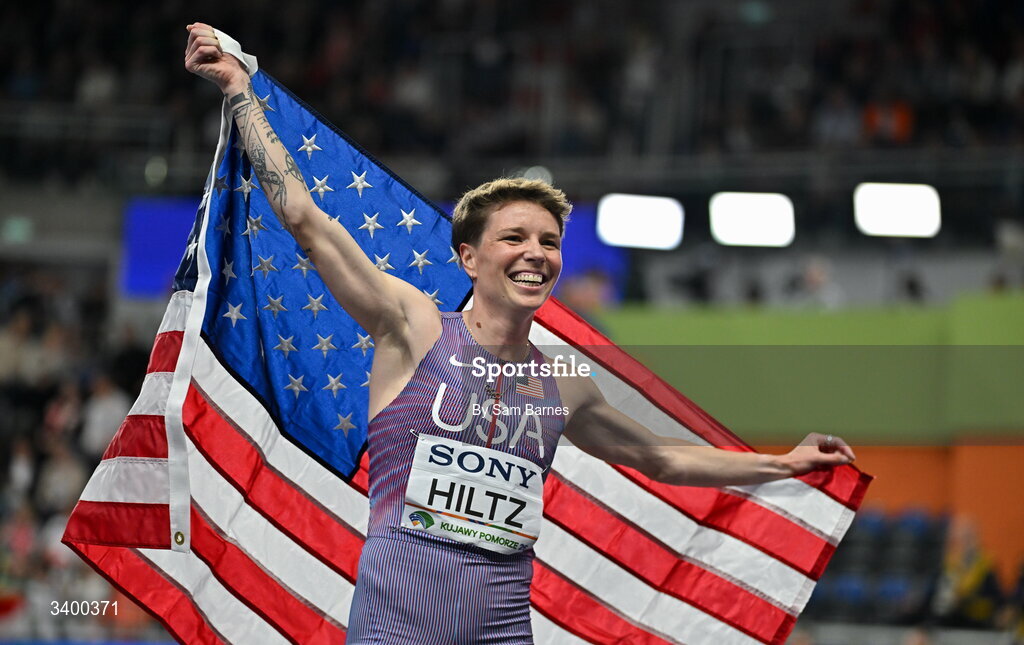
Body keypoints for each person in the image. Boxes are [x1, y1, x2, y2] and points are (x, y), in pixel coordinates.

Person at [184, 23, 856, 644]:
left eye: (550, 241)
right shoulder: (415, 328)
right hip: (395, 627)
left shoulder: (563, 381)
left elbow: (662, 459)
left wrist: (782, 462)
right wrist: (242, 92)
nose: (537, 252)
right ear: (470, 258)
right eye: (515, 237)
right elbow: (305, 218)